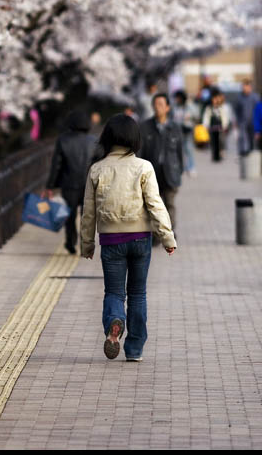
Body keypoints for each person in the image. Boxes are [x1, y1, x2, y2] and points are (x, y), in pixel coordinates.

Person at [80, 113, 176, 362]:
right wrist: (167, 238)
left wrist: (87, 244)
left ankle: (115, 321)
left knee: (114, 292)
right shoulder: (144, 167)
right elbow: (156, 204)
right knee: (137, 293)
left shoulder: (97, 169)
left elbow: (88, 212)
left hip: (111, 240)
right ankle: (134, 350)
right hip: (140, 239)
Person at [42, 109, 97, 255]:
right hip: (88, 185)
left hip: (69, 184)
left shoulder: (63, 140)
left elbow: (56, 165)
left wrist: (50, 186)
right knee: (87, 217)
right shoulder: (94, 141)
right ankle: (85, 245)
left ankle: (70, 242)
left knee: (70, 215)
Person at [139, 93, 184, 241]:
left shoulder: (175, 128)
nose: (158, 108)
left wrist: (179, 171)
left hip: (171, 173)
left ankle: (169, 231)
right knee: (153, 206)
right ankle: (156, 234)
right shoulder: (145, 127)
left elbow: (180, 152)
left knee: (169, 203)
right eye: (156, 104)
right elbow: (141, 152)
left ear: (167, 108)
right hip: (152, 173)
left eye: (161, 104)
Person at [172, 90, 198, 177]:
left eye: (178, 98)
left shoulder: (189, 106)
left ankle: (191, 167)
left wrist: (189, 117)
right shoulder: (175, 107)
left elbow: (196, 115)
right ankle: (180, 168)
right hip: (178, 130)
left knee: (189, 149)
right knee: (178, 150)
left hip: (188, 130)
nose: (177, 100)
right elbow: (172, 117)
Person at [202, 87, 231, 162]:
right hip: (212, 127)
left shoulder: (221, 107)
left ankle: (220, 154)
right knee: (213, 142)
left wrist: (225, 125)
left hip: (220, 127)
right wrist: (205, 125)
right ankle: (215, 156)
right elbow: (206, 117)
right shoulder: (209, 108)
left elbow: (224, 116)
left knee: (220, 141)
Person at [234, 79, 258, 157]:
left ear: (249, 87)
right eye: (243, 87)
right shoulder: (239, 97)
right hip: (242, 121)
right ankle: (243, 151)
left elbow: (258, 109)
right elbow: (236, 109)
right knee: (242, 136)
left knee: (251, 137)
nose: (244, 88)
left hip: (252, 121)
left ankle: (251, 150)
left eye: (246, 87)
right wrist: (237, 120)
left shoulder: (255, 97)